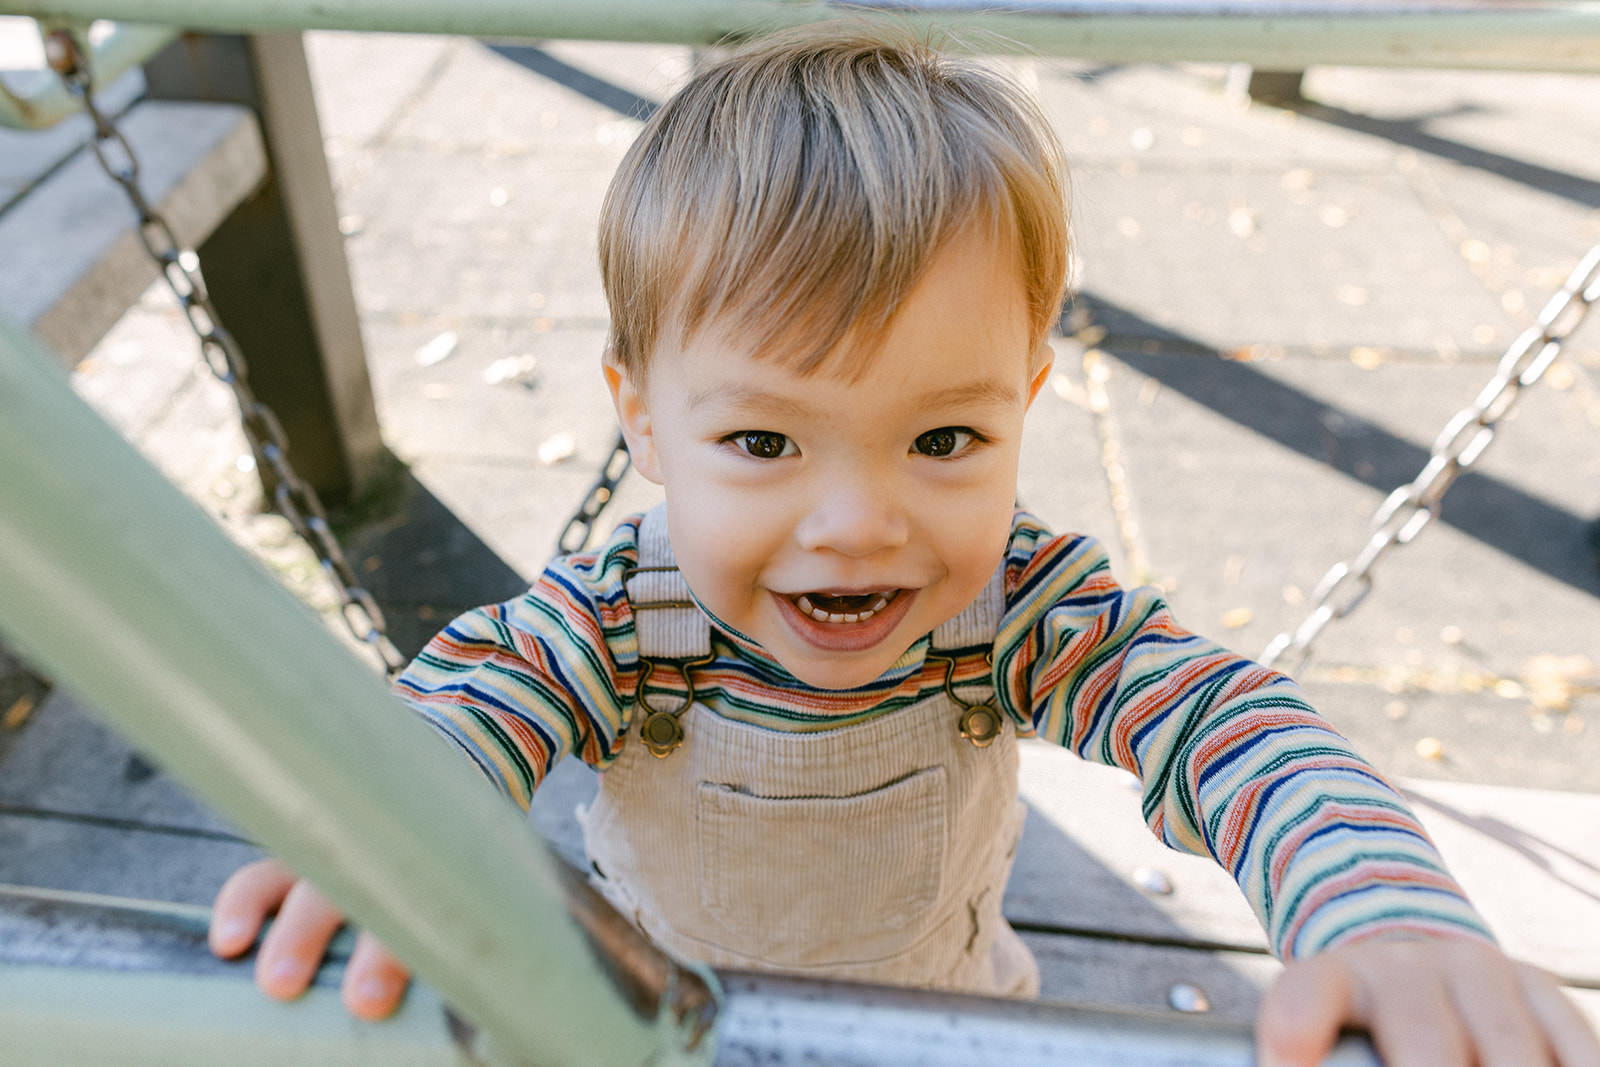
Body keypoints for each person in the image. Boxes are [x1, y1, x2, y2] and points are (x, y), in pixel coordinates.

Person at [210, 24, 1599, 1065]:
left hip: (942, 1027)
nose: (859, 524)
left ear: (1026, 402)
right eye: (763, 444)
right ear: (641, 421)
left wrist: (1383, 914)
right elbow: (471, 699)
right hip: (654, 1021)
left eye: (944, 442)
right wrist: (385, 822)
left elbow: (1230, 728)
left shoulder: (1012, 605)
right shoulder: (630, 616)